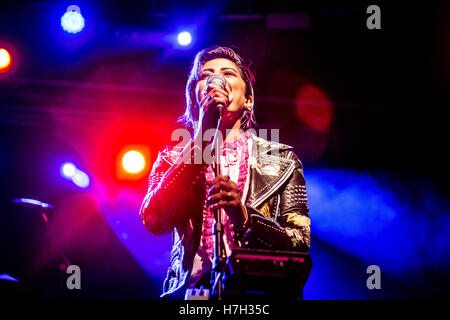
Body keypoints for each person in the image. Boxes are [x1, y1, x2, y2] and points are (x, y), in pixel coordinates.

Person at [139, 46, 311, 299]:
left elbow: (300, 243)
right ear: (194, 98)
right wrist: (202, 142)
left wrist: (245, 216)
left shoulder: (282, 160)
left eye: (228, 73)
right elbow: (154, 220)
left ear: (248, 99)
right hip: (193, 294)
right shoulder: (172, 158)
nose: (215, 80)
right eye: (204, 76)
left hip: (258, 293)